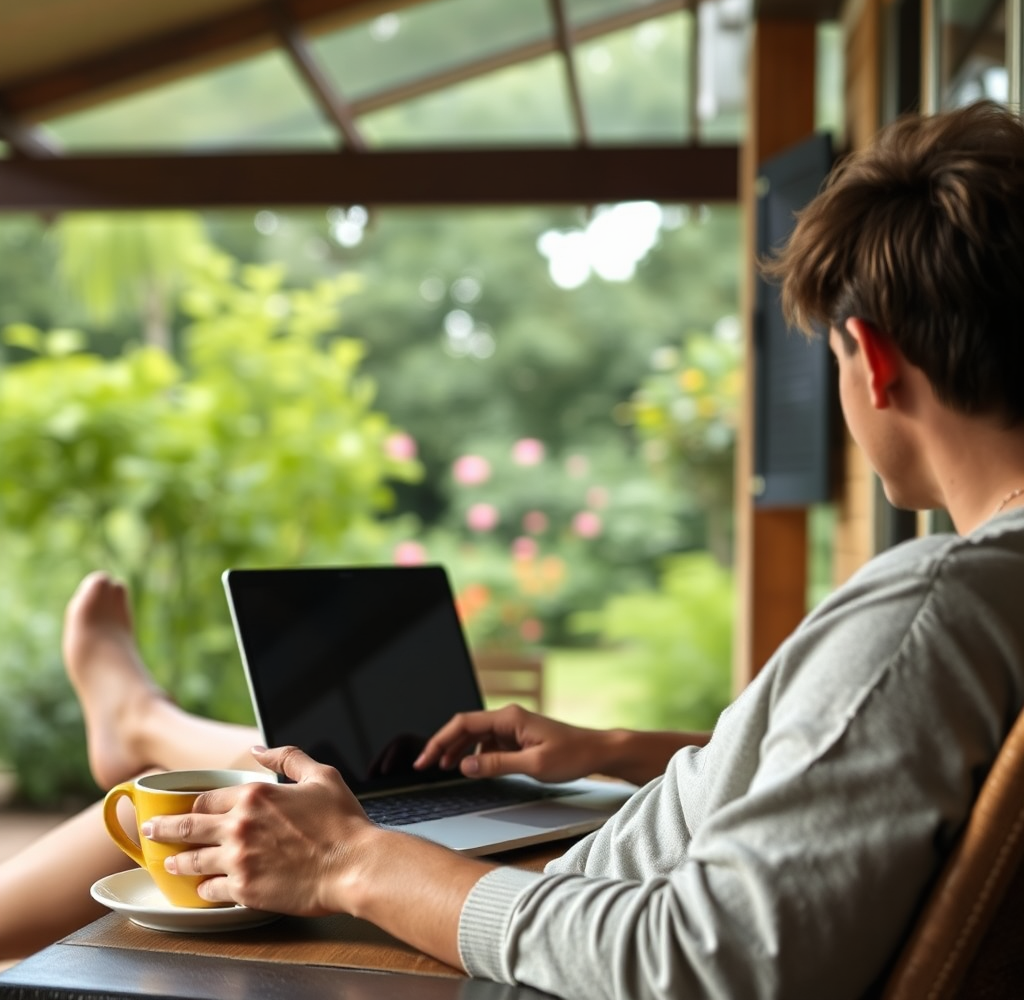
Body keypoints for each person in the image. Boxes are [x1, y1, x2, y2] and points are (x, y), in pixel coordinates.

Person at [5, 99, 1024, 999]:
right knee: (275, 797)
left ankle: (146, 729)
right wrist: (611, 752)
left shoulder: (932, 606)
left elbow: (706, 962)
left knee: (184, 821)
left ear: (875, 363)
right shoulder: (982, 596)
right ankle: (146, 725)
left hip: (546, 951)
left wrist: (352, 866)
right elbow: (833, 784)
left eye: (834, 354)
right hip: (574, 902)